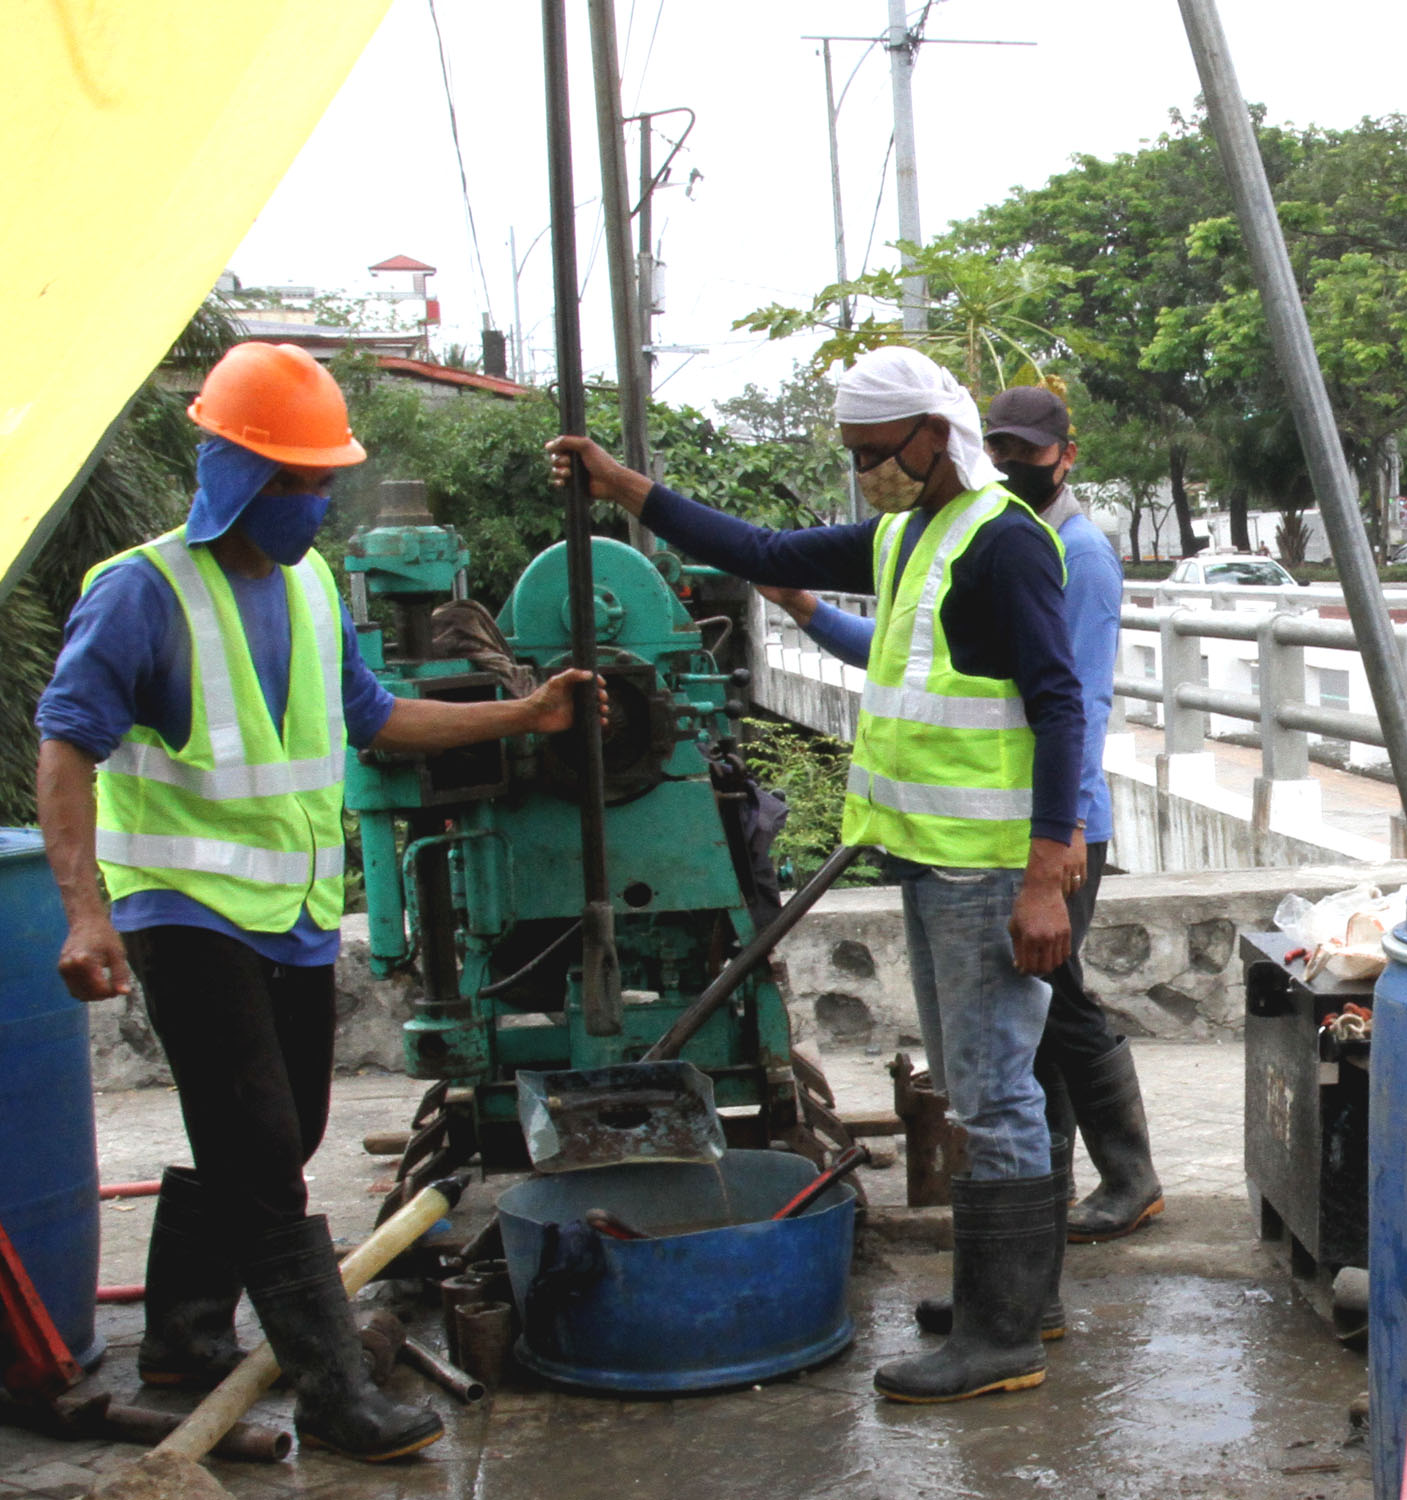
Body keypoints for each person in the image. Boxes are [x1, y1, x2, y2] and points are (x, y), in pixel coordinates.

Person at [39, 341, 597, 1462]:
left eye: (323, 478)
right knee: (259, 1138)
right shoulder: (142, 594)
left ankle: (183, 1343)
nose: (316, 500)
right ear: (236, 473)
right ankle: (337, 1390)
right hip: (180, 905)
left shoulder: (305, 585)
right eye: (297, 480)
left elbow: (375, 716)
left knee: (279, 1128)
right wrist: (87, 911)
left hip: (286, 910)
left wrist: (520, 716)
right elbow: (66, 750)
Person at [545, 346, 1082, 1404]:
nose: (868, 471)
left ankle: (1004, 1336)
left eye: (879, 452)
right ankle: (1013, 1300)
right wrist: (625, 489)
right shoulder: (906, 535)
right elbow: (762, 547)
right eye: (856, 457)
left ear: (935, 433)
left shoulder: (1003, 542)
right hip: (929, 852)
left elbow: (1060, 703)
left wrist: (1044, 872)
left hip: (985, 866)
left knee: (992, 1092)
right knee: (981, 1085)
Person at [756, 384, 1163, 1276]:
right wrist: (806, 610)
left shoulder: (1072, 552)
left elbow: (1070, 702)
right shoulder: (958, 533)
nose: (1014, 466)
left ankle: (1114, 1189)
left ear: (1067, 455)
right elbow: (906, 652)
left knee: (1047, 1022)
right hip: (1004, 826)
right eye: (1004, 448)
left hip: (1045, 822)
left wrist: (1052, 846)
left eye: (1032, 452)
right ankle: (1042, 1232)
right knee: (1034, 1027)